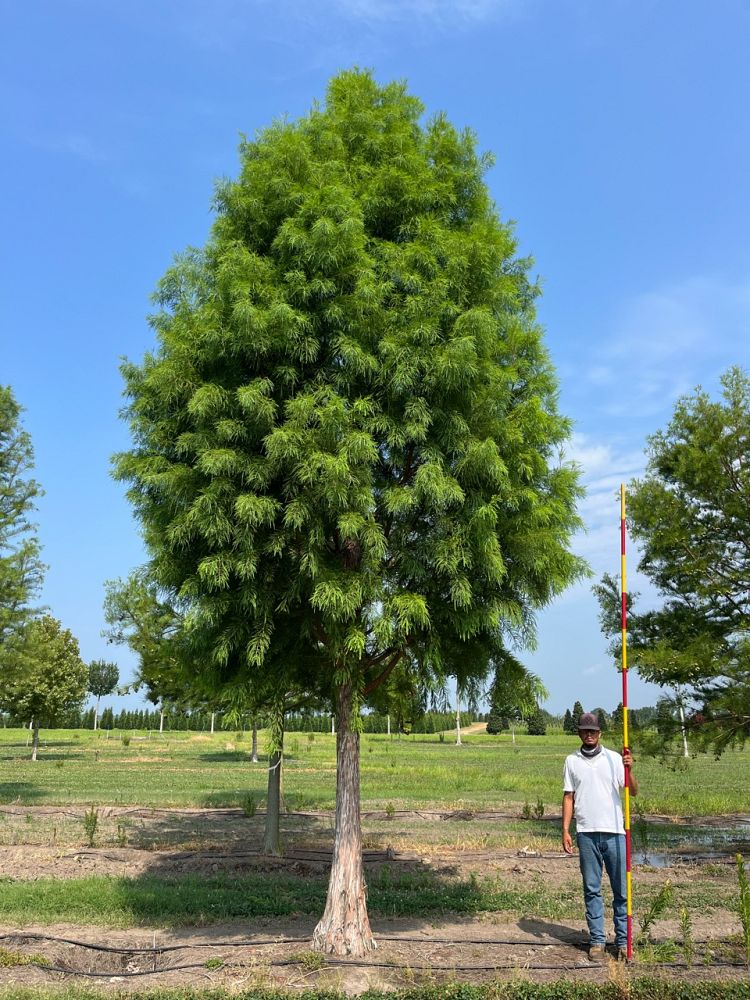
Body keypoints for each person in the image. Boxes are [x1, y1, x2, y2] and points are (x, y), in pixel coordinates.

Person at [562, 711, 638, 962]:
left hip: (615, 832)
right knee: (592, 889)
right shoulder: (571, 761)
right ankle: (597, 941)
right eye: (585, 730)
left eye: (593, 731)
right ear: (579, 733)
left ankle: (624, 941)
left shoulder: (615, 759)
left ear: (599, 733)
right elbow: (568, 796)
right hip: (586, 833)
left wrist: (630, 770)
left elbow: (633, 791)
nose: (589, 734)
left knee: (621, 890)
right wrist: (565, 829)